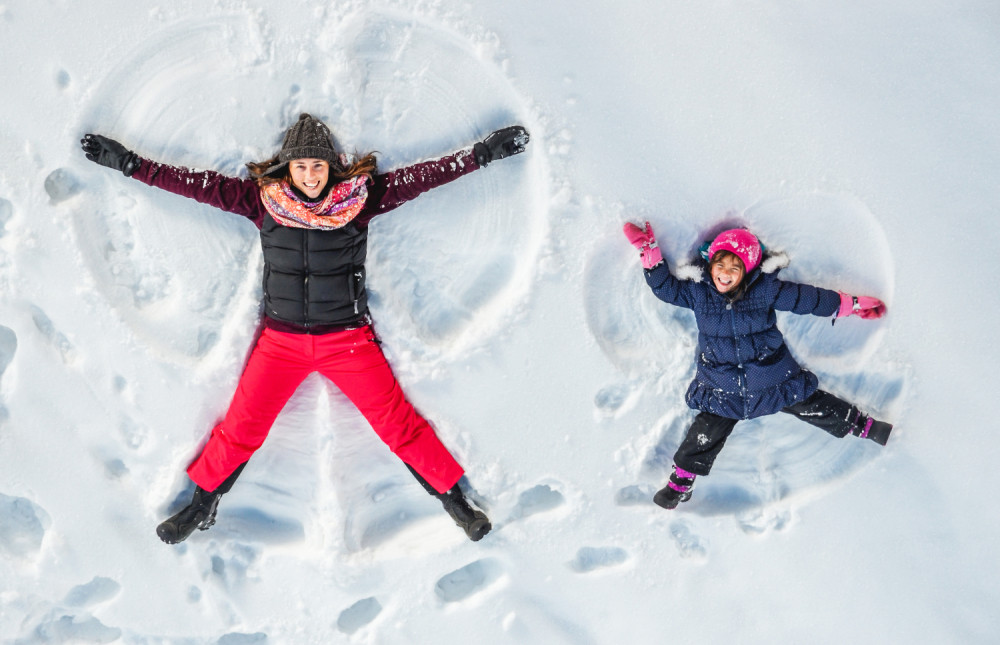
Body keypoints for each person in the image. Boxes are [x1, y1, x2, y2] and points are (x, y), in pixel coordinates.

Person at [81, 114, 529, 543]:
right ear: (287, 168)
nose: (310, 176)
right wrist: (128, 163)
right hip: (281, 344)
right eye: (301, 166)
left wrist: (483, 154)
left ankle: (455, 503)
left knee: (398, 425)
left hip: (348, 343)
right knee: (241, 427)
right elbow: (193, 184)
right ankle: (201, 505)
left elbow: (423, 177)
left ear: (331, 167)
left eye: (317, 166)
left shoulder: (359, 200)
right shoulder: (263, 201)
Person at [622, 223, 892, 509]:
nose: (725, 273)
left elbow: (808, 300)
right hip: (722, 385)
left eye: (735, 268)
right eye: (720, 264)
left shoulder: (764, 291)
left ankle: (863, 426)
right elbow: (666, 289)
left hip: (771, 377)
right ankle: (680, 482)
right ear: (710, 264)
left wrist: (852, 305)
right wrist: (648, 252)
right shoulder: (698, 293)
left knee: (812, 403)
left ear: (747, 271)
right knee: (705, 431)